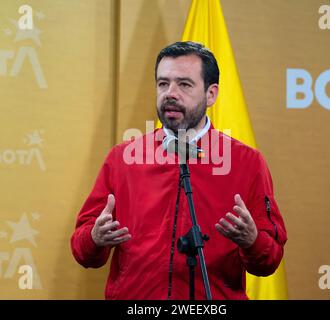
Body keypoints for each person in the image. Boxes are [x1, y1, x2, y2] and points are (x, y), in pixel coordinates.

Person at [70, 41, 287, 300]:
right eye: (163, 84)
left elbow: (269, 260)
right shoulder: (122, 159)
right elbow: (82, 251)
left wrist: (252, 241)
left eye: (184, 84)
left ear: (211, 94)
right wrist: (95, 238)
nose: (170, 93)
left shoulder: (246, 162)